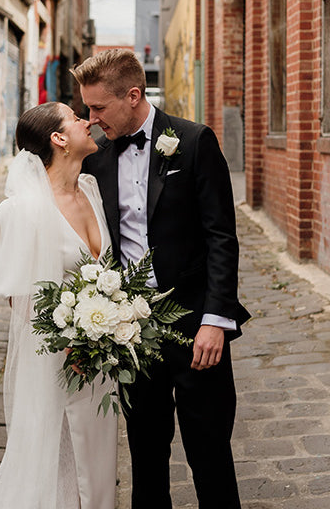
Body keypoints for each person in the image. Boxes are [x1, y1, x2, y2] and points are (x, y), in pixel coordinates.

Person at [72, 49, 249, 509]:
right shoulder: (97, 157)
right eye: (86, 109)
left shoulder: (193, 142)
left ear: (133, 96)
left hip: (195, 329)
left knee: (209, 453)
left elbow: (221, 238)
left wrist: (216, 319)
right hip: (132, 332)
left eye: (97, 108)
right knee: (145, 457)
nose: (90, 119)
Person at [0, 102, 117, 509]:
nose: (87, 120)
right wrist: (67, 340)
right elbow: (16, 296)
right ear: (58, 139)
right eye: (76, 118)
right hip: (55, 363)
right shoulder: (20, 211)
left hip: (98, 363)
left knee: (96, 465)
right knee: (50, 463)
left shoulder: (91, 190)